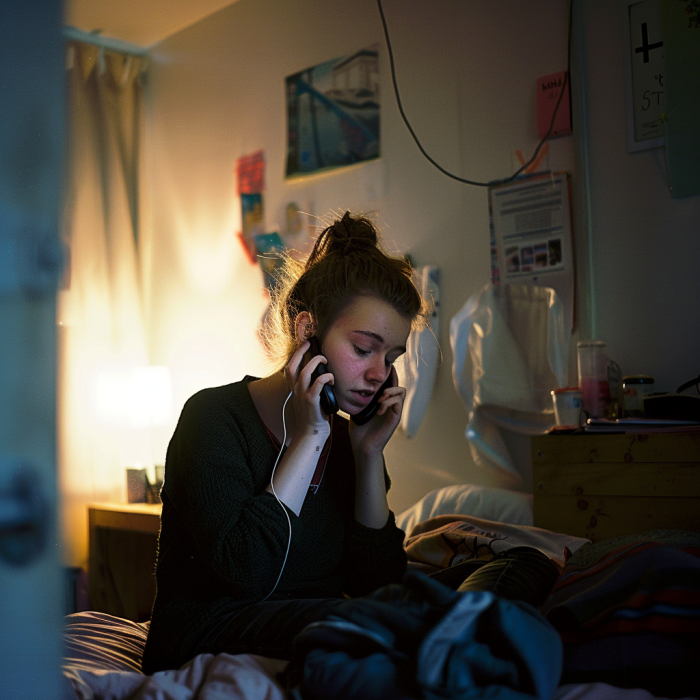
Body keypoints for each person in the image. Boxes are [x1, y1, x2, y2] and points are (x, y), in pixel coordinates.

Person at [142, 211, 427, 674]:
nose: (379, 374)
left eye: (391, 357)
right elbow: (247, 572)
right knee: (387, 621)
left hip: (317, 625)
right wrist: (307, 437)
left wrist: (369, 454)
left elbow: (377, 582)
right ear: (306, 331)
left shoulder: (349, 439)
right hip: (209, 632)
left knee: (520, 567)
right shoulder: (213, 418)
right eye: (363, 349)